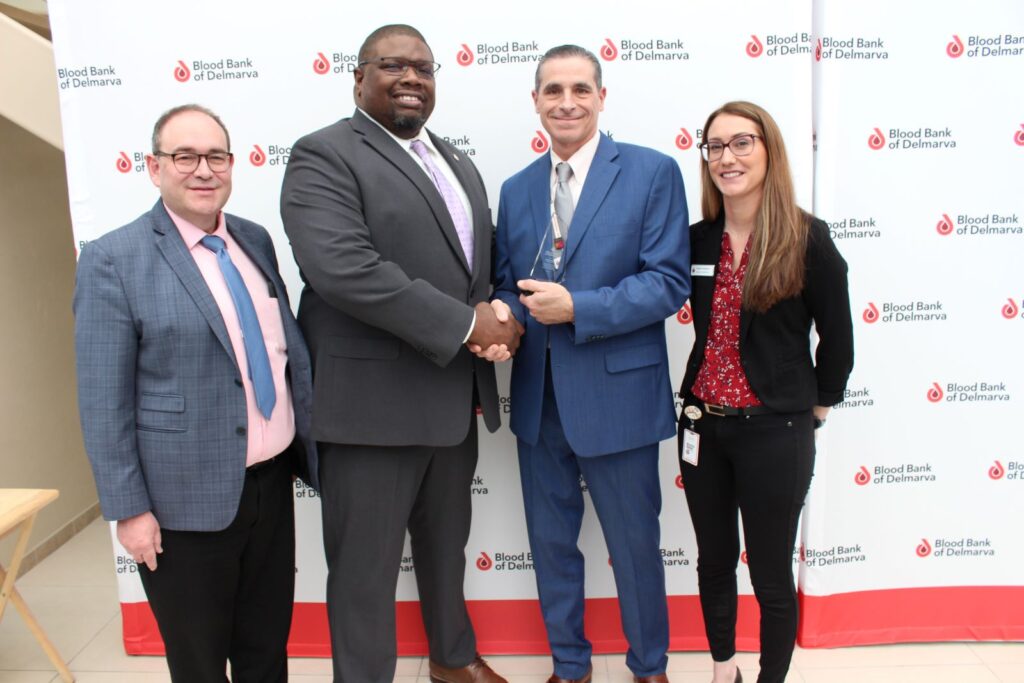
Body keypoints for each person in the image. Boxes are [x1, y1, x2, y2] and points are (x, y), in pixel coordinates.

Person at [280, 24, 518, 683]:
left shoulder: (455, 161)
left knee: (446, 551)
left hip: (451, 404)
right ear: (358, 78)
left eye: (424, 68)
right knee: (364, 574)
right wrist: (466, 325)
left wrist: (501, 315)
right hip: (370, 414)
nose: (412, 77)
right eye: (392, 65)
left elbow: (480, 266)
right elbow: (344, 268)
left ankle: (452, 659)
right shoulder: (323, 155)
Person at [73, 104, 317, 683]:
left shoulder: (253, 240)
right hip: (180, 507)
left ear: (231, 164)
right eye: (184, 157)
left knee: (266, 653)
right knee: (200, 665)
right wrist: (130, 510)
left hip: (270, 487)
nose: (203, 170)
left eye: (215, 157)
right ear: (154, 167)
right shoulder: (114, 259)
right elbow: (103, 400)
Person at [491, 45, 690, 683]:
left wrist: (578, 307)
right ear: (536, 101)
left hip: (618, 399)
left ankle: (649, 668)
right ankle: (569, 666)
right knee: (551, 547)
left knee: (635, 547)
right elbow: (509, 285)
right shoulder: (516, 189)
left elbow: (667, 283)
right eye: (553, 90)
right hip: (539, 401)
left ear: (602, 97)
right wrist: (500, 322)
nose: (567, 102)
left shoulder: (652, 172)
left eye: (580, 88)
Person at [677, 101, 854, 683]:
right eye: (715, 146)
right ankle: (722, 670)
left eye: (741, 142)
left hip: (776, 430)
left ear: (769, 150)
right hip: (702, 426)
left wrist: (816, 407)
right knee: (713, 562)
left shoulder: (805, 238)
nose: (726, 157)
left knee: (771, 574)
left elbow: (838, 336)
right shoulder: (697, 240)